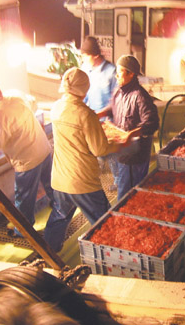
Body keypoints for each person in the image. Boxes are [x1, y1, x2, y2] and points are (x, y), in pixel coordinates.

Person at [45, 68, 128, 252]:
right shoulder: (85, 114)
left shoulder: (56, 107)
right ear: (85, 88)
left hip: (59, 179)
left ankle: (48, 254)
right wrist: (120, 143)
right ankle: (111, 253)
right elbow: (99, 149)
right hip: (82, 182)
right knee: (104, 221)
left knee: (59, 217)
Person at [0, 79, 53, 236]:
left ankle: (22, 231)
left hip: (27, 160)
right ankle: (62, 210)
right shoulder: (14, 95)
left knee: (24, 198)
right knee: (51, 184)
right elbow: (33, 103)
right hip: (42, 148)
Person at [98, 55, 160, 201]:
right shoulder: (119, 91)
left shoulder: (140, 96)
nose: (116, 75)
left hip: (135, 156)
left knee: (130, 195)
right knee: (124, 187)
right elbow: (113, 107)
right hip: (123, 152)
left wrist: (131, 134)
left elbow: (152, 122)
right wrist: (100, 113)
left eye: (120, 72)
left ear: (131, 74)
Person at [80, 36, 119, 191]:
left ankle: (118, 181)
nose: (83, 58)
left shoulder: (111, 72)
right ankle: (95, 179)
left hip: (108, 122)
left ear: (95, 55)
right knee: (94, 152)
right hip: (92, 120)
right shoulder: (85, 70)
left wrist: (101, 115)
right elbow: (83, 95)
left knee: (112, 155)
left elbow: (115, 101)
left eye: (85, 55)